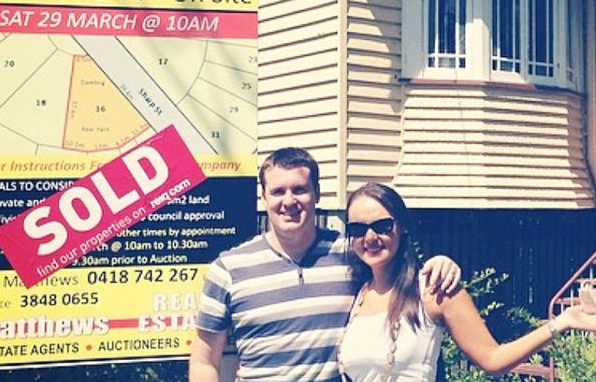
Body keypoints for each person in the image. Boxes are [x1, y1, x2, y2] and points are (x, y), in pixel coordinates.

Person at [190, 148, 462, 382]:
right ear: (263, 198)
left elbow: (397, 269)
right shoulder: (228, 269)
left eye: (299, 190)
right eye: (277, 191)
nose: (289, 201)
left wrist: (440, 263)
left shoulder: (351, 253)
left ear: (317, 193)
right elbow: (204, 362)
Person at [338, 182, 596, 380]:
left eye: (382, 226)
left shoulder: (433, 290)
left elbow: (493, 359)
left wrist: (561, 322)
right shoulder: (358, 295)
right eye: (358, 229)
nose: (371, 238)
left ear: (401, 228)